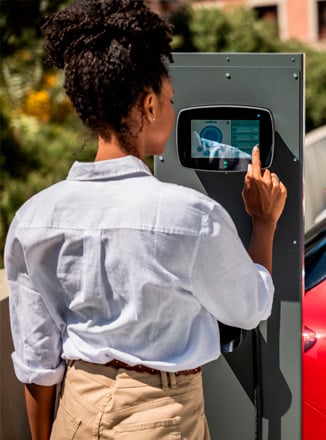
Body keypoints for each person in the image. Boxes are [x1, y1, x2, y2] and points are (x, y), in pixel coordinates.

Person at [3, 1, 287, 439]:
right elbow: (249, 309)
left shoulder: (34, 218)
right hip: (163, 413)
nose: (173, 114)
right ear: (149, 105)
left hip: (77, 409)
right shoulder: (191, 216)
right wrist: (263, 223)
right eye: (171, 101)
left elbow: (38, 362)